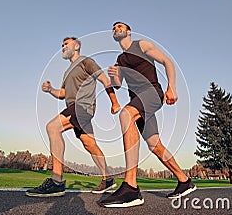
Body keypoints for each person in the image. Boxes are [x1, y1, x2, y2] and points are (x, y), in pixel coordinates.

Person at [99, 22, 196, 207]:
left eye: (120, 26)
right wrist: (113, 75)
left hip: (151, 92)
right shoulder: (119, 59)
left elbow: (167, 61)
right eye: (114, 27)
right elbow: (118, 85)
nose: (116, 28)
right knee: (154, 145)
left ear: (128, 31)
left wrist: (172, 88)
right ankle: (184, 181)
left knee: (126, 115)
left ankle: (131, 187)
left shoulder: (141, 45)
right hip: (138, 100)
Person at [26, 37, 121, 197]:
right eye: (62, 45)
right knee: (89, 144)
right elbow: (62, 94)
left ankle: (57, 181)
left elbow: (105, 80)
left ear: (76, 46)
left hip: (82, 107)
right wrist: (51, 89)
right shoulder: (67, 71)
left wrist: (114, 102)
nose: (63, 47)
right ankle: (108, 179)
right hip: (73, 108)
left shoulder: (86, 62)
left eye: (66, 44)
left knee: (52, 127)